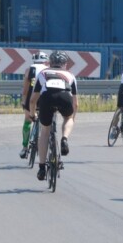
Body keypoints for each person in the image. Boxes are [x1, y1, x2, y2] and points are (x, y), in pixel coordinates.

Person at [29, 50, 78, 181]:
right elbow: (75, 103)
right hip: (64, 98)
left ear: (50, 63)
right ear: (65, 64)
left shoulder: (43, 73)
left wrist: (32, 113)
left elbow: (33, 99)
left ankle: (41, 168)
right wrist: (72, 118)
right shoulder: (70, 75)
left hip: (47, 98)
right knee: (68, 118)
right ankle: (64, 139)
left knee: (45, 132)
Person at [19, 51, 49, 159]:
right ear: (46, 61)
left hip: (31, 97)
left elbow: (25, 89)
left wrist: (23, 101)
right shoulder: (48, 70)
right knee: (48, 123)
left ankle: (24, 147)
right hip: (45, 98)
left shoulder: (30, 69)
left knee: (28, 120)